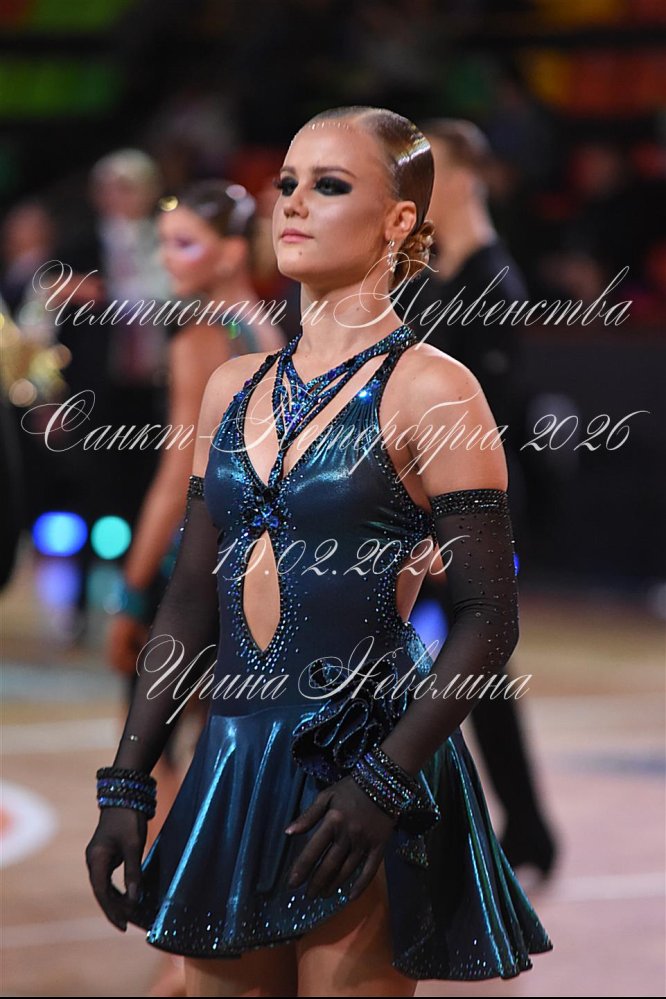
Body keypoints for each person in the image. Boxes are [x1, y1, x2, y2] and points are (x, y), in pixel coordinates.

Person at [86, 105, 554, 997]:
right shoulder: (232, 385)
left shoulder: (435, 388)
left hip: (360, 761)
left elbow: (490, 619)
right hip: (232, 761)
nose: (293, 203)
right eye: (288, 183)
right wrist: (127, 783)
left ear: (399, 220)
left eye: (329, 186)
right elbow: (189, 600)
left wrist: (386, 779)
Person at [105, 178, 286, 996]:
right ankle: (210, 943)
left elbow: (178, 474)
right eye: (163, 242)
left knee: (169, 758)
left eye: (185, 243)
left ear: (230, 250)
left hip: (196, 569)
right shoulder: (265, 325)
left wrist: (131, 588)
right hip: (254, 569)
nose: (169, 258)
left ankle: (186, 951)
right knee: (226, 751)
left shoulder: (204, 331)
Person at [392, 118, 558, 879]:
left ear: (462, 179)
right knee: (461, 673)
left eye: (430, 175)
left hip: (469, 506)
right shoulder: (433, 274)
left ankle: (521, 829)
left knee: (476, 670)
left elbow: (487, 420)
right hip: (424, 499)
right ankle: (517, 828)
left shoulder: (494, 279)